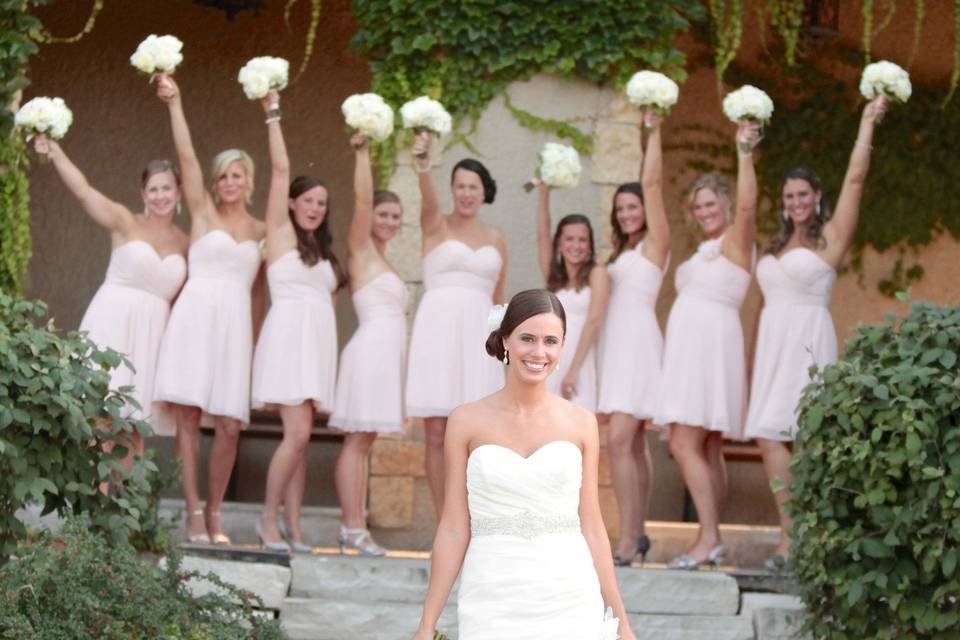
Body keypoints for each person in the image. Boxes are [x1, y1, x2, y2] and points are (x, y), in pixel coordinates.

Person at [412, 289, 635, 640]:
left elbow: (591, 525)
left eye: (551, 341)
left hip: (570, 594)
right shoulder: (466, 421)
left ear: (562, 347)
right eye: (527, 338)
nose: (538, 352)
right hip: (491, 593)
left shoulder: (581, 423)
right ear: (505, 342)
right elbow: (454, 526)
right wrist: (427, 624)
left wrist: (621, 622)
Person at [745, 95, 888, 569]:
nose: (796, 203)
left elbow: (856, 178)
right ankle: (789, 536)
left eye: (803, 195)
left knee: (807, 437)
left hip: (809, 338)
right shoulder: (775, 242)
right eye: (789, 197)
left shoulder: (831, 236)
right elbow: (761, 303)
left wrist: (867, 121)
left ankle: (809, 537)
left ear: (817, 196)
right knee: (769, 435)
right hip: (772, 344)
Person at [153, 73, 266, 545]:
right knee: (188, 415)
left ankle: (217, 510)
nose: (228, 182)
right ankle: (194, 512)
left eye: (236, 174)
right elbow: (185, 157)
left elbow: (260, 292)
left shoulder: (262, 228)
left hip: (235, 326)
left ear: (248, 181)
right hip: (196, 315)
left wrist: (258, 340)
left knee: (229, 425)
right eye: (222, 175)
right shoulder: (201, 212)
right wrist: (175, 102)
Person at [33, 136, 188, 456]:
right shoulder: (124, 221)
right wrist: (57, 152)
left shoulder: (185, 242)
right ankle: (98, 498)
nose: (161, 196)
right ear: (143, 194)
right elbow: (84, 190)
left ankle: (130, 503)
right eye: (154, 189)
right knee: (102, 413)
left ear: (179, 193)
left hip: (152, 335)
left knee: (136, 424)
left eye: (167, 188)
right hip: (112, 322)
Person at [653, 121, 762, 569]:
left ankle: (708, 538)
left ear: (725, 203)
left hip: (709, 350)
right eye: (698, 206)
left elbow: (750, 203)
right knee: (708, 447)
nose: (704, 211)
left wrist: (744, 151)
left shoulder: (737, 240)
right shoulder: (701, 251)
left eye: (711, 202)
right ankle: (710, 540)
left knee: (682, 443)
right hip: (689, 352)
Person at [250, 90, 348, 552]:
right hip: (288, 339)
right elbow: (281, 171)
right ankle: (267, 519)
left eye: (322, 203)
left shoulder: (322, 252)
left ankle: (294, 524)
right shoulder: (281, 234)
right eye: (308, 200)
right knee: (298, 433)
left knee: (304, 440)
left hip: (317, 345)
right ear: (291, 204)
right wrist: (273, 113)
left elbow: (328, 303)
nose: (314, 208)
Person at [405, 132, 507, 515]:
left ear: (484, 192)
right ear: (451, 190)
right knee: (436, 431)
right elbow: (427, 198)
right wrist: (423, 163)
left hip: (479, 340)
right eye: (460, 186)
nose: (466, 193)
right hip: (438, 333)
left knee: (479, 432)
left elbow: (500, 296)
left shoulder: (496, 237)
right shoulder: (435, 226)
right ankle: (443, 520)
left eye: (473, 187)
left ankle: (475, 518)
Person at [595, 107, 670, 565]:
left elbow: (656, 185)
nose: (626, 214)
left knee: (620, 440)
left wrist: (653, 132)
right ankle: (637, 533)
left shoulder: (655, 244)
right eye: (620, 208)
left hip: (640, 342)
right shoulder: (618, 252)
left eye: (633, 206)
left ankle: (625, 538)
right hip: (616, 346)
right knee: (634, 443)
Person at [328, 132, 407, 556]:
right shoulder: (361, 251)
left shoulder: (387, 258)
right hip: (369, 352)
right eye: (383, 214)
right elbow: (359, 202)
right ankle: (352, 527)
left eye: (396, 216)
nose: (389, 221)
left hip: (386, 358)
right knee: (357, 441)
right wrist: (361, 153)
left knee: (365, 441)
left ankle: (354, 527)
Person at [531, 180, 608, 414]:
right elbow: (542, 235)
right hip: (552, 358)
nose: (576, 245)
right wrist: (544, 192)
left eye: (582, 240)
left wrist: (573, 370)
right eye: (570, 239)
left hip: (581, 361)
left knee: (575, 429)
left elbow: (594, 321)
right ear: (560, 243)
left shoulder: (597, 274)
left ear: (590, 245)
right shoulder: (554, 278)